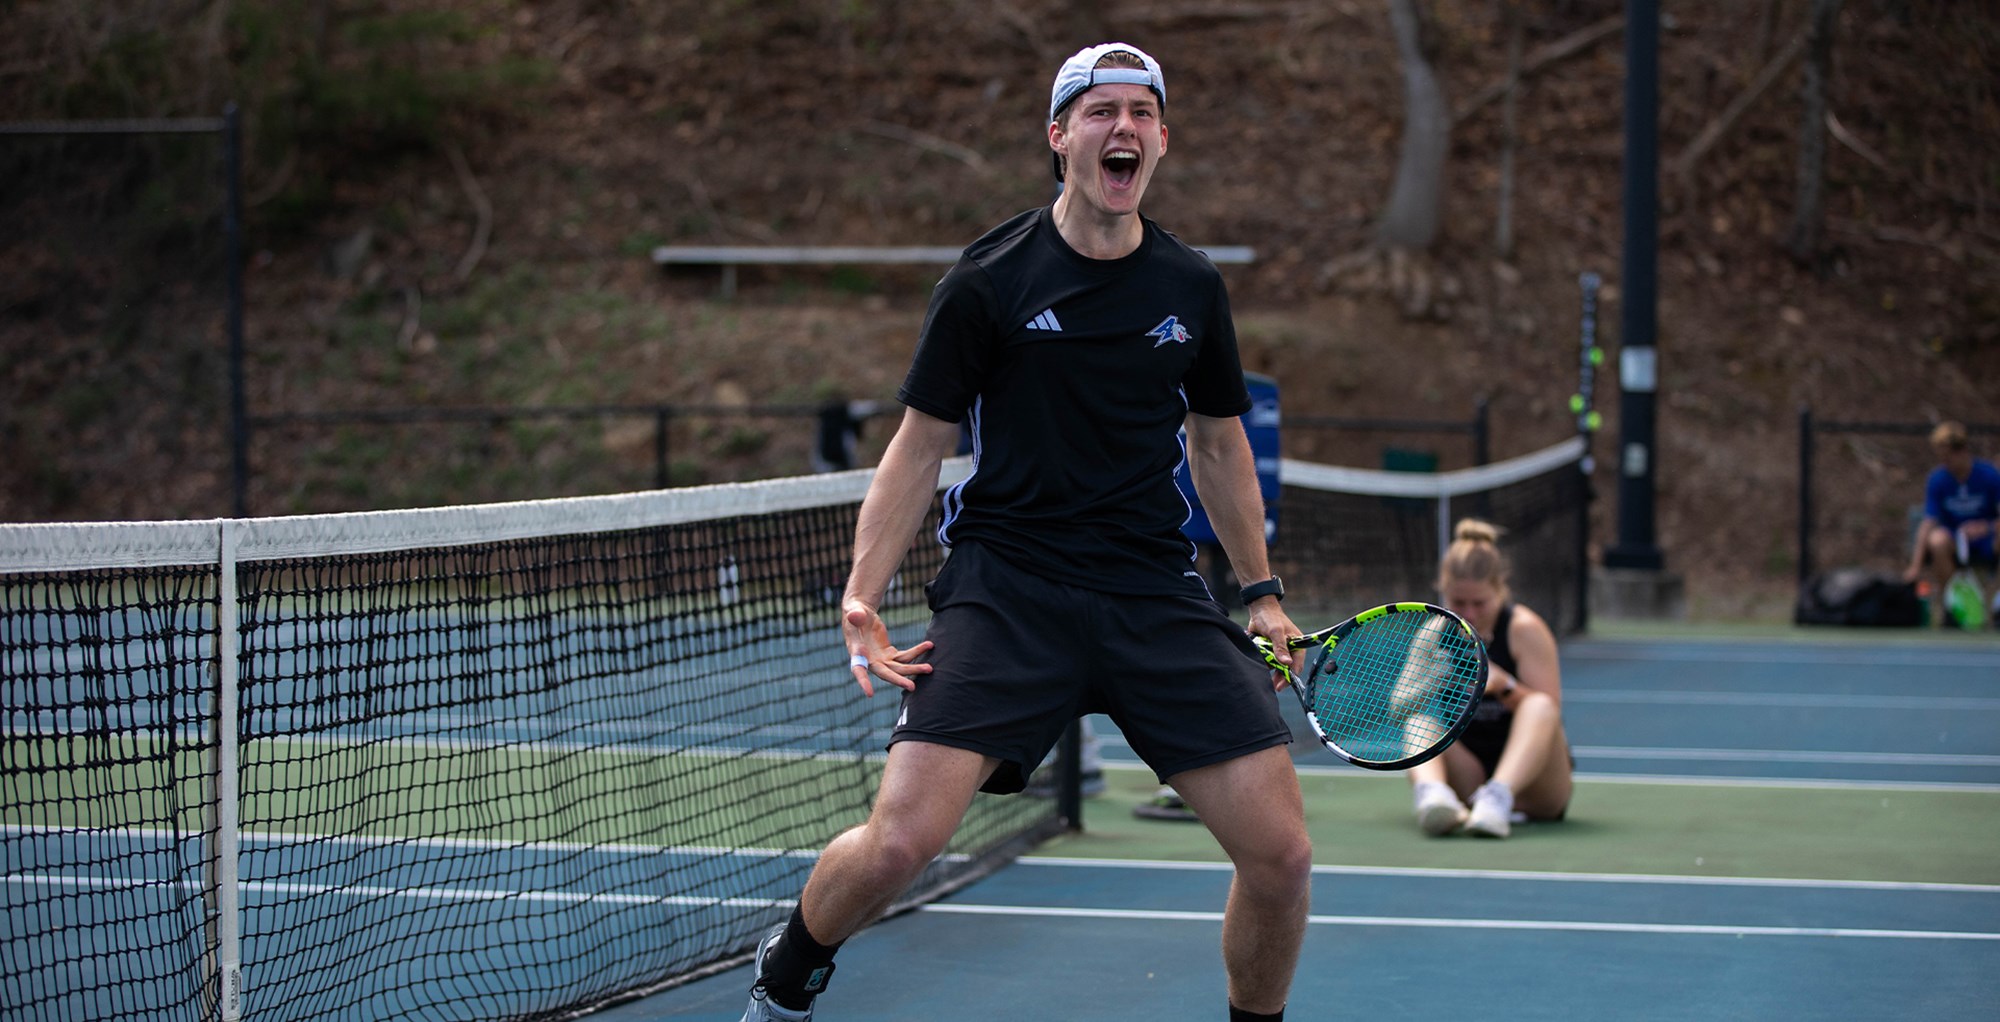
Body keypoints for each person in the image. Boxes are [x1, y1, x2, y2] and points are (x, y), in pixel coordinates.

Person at [741, 43, 1313, 1022]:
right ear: (1059, 137)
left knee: (1281, 854)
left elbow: (1218, 448)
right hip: (1007, 588)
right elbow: (917, 446)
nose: (1120, 127)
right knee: (896, 844)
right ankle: (789, 970)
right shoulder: (986, 280)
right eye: (1097, 112)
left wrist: (1258, 590)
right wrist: (859, 593)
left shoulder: (1189, 285)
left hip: (1151, 592)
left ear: (1161, 139)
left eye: (1140, 112)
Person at [1406, 520, 1572, 839]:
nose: (1469, 613)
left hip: (1536, 784)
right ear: (1443, 590)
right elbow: (1398, 707)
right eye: (1458, 603)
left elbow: (1549, 715)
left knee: (1538, 705)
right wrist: (1431, 681)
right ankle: (1432, 794)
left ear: (1499, 589)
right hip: (1469, 774)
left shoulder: (1524, 628)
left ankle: (1498, 798)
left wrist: (1504, 685)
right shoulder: (1433, 634)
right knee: (1418, 718)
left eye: (1479, 603)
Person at [1903, 421, 2000, 627]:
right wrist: (1915, 566)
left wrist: (1986, 527)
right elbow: (1928, 522)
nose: (1945, 463)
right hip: (1956, 540)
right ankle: (1954, 604)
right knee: (1937, 540)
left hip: (1987, 540)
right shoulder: (1938, 479)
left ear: (1962, 451)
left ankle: (1995, 604)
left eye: (1948, 458)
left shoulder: (1989, 475)